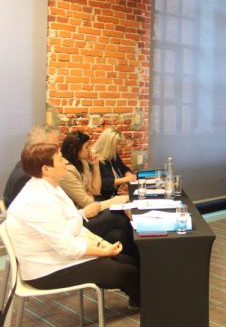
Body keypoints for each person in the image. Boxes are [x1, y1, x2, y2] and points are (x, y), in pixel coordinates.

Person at [6, 143, 140, 309]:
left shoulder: (50, 187)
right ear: (46, 169)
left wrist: (100, 245)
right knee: (127, 271)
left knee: (128, 261)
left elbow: (70, 225)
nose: (66, 162)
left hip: (58, 257)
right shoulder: (38, 200)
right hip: (47, 270)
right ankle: (146, 306)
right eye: (60, 159)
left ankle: (141, 301)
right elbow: (67, 248)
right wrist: (103, 252)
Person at [60, 131, 137, 260]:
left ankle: (131, 261)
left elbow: (95, 190)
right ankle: (136, 259)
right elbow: (87, 201)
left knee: (119, 234)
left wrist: (95, 166)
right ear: (76, 150)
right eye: (86, 147)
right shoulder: (67, 171)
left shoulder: (83, 162)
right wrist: (93, 194)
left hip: (90, 209)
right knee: (120, 215)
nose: (89, 150)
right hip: (81, 218)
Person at [3, 125, 60, 208]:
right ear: (39, 148)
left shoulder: (29, 167)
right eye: (54, 148)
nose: (58, 152)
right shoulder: (26, 176)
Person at [93, 128, 136, 201]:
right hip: (102, 200)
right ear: (109, 144)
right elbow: (103, 183)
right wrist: (125, 179)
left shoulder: (113, 156)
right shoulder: (95, 160)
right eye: (118, 144)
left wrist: (128, 175)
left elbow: (124, 168)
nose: (121, 146)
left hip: (113, 197)